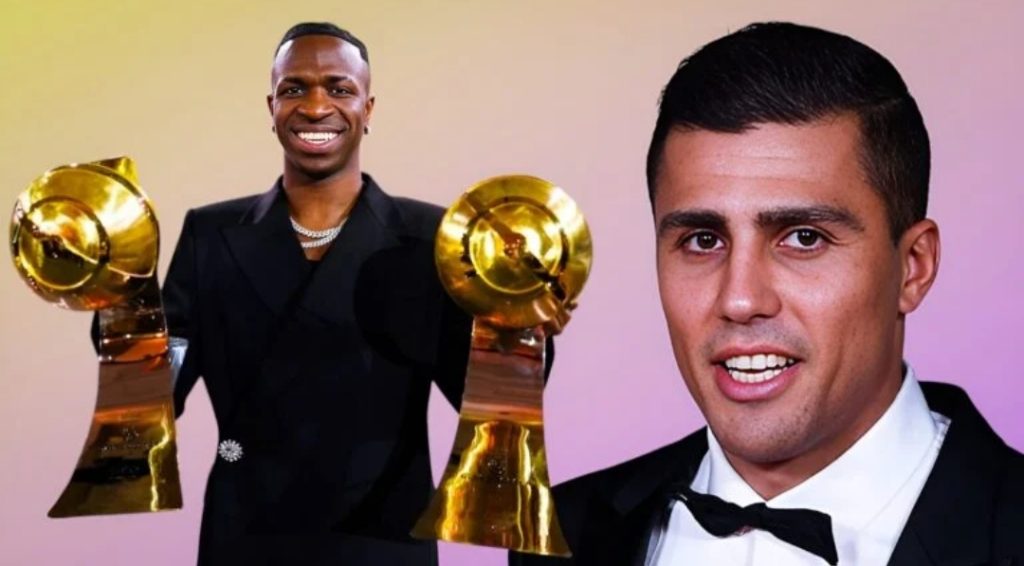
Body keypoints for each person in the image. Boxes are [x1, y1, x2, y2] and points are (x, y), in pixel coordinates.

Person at [511, 21, 1024, 566]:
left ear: (913, 268)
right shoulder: (559, 534)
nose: (739, 300)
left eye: (804, 238)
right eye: (703, 240)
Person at [150, 21, 551, 565]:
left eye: (339, 88)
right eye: (295, 88)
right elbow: (155, 393)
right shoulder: (211, 235)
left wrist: (519, 321)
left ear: (368, 108)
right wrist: (122, 300)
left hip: (384, 537)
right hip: (248, 534)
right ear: (271, 107)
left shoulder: (433, 238)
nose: (316, 107)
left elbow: (479, 396)